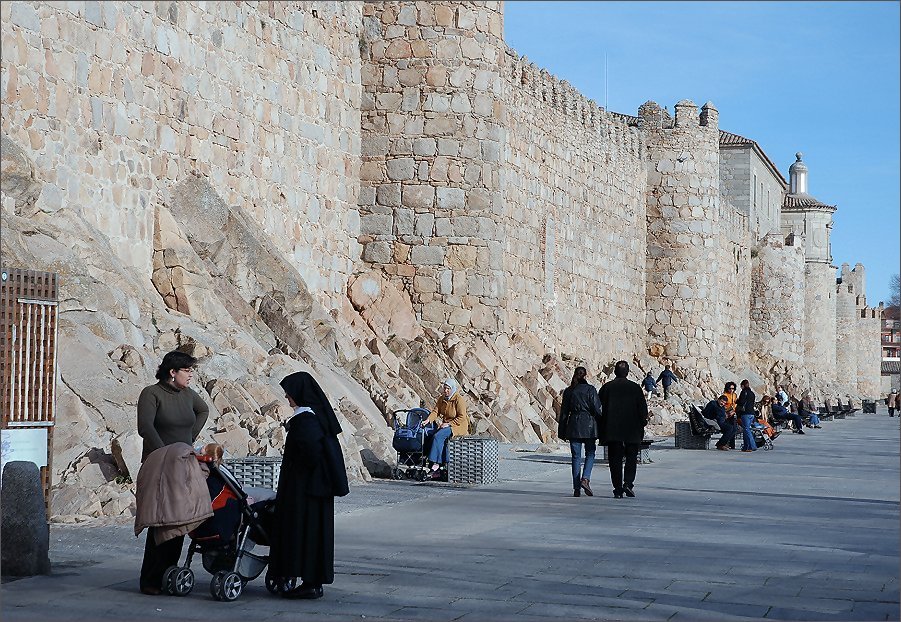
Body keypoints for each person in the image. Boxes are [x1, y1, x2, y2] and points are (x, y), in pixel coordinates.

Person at [136, 350, 209, 596]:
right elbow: (145, 426)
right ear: (172, 372)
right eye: (187, 371)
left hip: (183, 464)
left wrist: (189, 441)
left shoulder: (188, 395)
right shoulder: (151, 393)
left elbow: (203, 411)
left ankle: (168, 573)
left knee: (179, 519)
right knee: (161, 520)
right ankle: (151, 579)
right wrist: (164, 453)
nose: (190, 376)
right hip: (159, 465)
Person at [271, 371, 348, 600]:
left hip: (306, 489)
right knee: (315, 534)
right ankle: (312, 581)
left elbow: (311, 453)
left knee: (305, 532)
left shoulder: (306, 420)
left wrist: (296, 474)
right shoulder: (317, 416)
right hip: (317, 488)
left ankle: (310, 583)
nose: (287, 398)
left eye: (289, 394)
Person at [599, 361, 649, 498]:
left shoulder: (607, 388)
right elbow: (643, 410)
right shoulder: (635, 388)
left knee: (614, 460)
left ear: (615, 372)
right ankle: (628, 483)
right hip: (632, 430)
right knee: (631, 458)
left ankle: (617, 488)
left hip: (612, 430)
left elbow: (598, 409)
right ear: (627, 372)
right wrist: (642, 423)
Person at [558, 366, 602, 497]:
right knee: (590, 453)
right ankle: (586, 478)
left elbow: (564, 413)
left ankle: (576, 488)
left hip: (573, 425)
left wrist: (562, 431)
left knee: (576, 457)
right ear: (586, 375)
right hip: (589, 425)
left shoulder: (569, 391)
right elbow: (597, 409)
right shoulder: (590, 389)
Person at [423, 378, 469, 479]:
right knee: (431, 436)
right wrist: (428, 420)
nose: (446, 391)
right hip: (447, 424)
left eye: (448, 388)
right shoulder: (442, 399)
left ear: (452, 389)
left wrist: (449, 424)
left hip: (458, 426)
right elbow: (436, 411)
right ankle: (435, 463)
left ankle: (436, 464)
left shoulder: (458, 399)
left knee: (438, 436)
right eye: (444, 388)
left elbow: (462, 417)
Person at [737, 379, 757, 453]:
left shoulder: (743, 392)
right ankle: (746, 446)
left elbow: (741, 402)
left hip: (745, 413)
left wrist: (737, 401)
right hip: (752, 413)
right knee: (746, 430)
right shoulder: (752, 393)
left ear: (742, 385)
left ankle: (752, 446)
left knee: (746, 429)